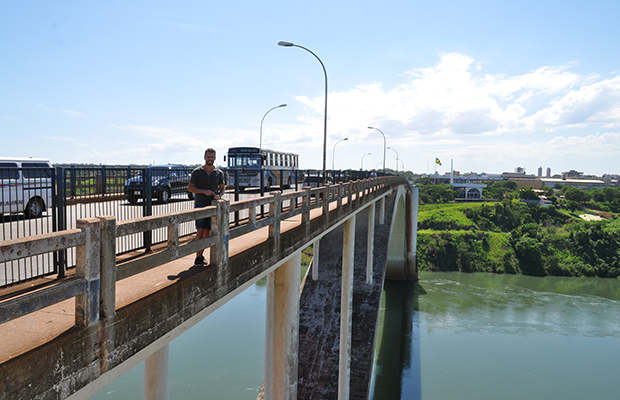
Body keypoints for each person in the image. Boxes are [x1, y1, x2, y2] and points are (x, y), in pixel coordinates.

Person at [188, 148, 225, 267]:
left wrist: (219, 195)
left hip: (213, 206)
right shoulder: (197, 172)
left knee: (207, 232)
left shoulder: (219, 173)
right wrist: (204, 192)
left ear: (215, 158)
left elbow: (222, 187)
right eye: (208, 157)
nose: (210, 159)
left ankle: (200, 255)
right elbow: (190, 188)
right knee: (199, 230)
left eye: (212, 157)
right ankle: (197, 257)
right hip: (200, 205)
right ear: (204, 157)